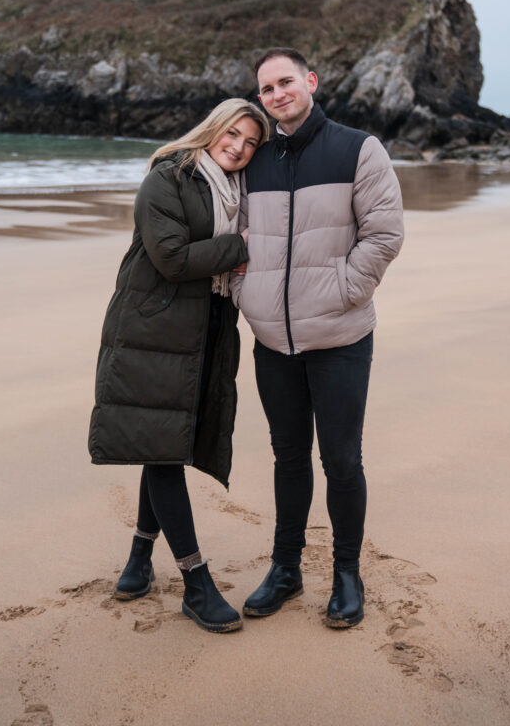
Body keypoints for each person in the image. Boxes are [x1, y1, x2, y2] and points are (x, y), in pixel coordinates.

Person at [230, 48, 404, 628]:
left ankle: (347, 574)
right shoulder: (255, 160)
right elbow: (232, 234)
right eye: (266, 89)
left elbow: (383, 234)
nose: (276, 94)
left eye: (285, 82)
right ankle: (286, 569)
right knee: (287, 457)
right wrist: (245, 294)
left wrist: (340, 291)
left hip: (340, 336)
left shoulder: (357, 148)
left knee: (341, 460)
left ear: (310, 81)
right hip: (272, 341)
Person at [88, 98, 269, 634]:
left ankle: (140, 559)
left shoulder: (242, 191)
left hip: (209, 323)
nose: (237, 147)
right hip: (153, 327)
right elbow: (170, 259)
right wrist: (240, 247)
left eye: (250, 142)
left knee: (164, 442)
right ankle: (195, 583)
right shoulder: (168, 178)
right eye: (231, 134)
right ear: (212, 130)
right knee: (163, 448)